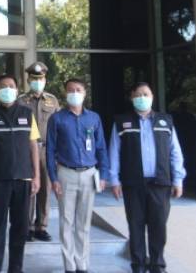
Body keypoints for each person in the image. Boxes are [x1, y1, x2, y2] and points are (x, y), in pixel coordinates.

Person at [109, 82, 186, 273]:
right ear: (132, 98)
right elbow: (114, 152)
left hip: (160, 183)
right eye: (138, 95)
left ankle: (157, 264)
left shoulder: (165, 121)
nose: (142, 98)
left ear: (152, 97)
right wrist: (114, 180)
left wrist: (178, 179)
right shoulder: (122, 122)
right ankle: (138, 264)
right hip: (133, 183)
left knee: (158, 225)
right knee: (135, 225)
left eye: (146, 94)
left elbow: (175, 152)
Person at [0, 74, 40, 273]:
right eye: (3, 86)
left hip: (23, 178)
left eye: (11, 86)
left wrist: (37, 176)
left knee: (20, 229)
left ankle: (15, 269)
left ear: (17, 89)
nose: (8, 89)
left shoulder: (27, 113)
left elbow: (33, 146)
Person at [46, 78, 109, 273]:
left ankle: (82, 264)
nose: (74, 93)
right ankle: (69, 265)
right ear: (65, 93)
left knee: (83, 223)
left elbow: (101, 147)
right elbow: (50, 150)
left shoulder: (94, 118)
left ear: (84, 93)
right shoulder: (57, 119)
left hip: (89, 174)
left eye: (78, 89)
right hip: (66, 174)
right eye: (70, 90)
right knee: (66, 222)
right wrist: (53, 178)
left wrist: (104, 174)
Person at [17, 62, 60, 242]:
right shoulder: (20, 100)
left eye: (40, 79)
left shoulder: (53, 100)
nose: (38, 82)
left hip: (47, 149)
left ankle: (41, 226)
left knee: (45, 188)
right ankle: (26, 226)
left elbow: (58, 126)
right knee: (29, 188)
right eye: (34, 79)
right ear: (28, 80)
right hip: (27, 149)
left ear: (45, 80)